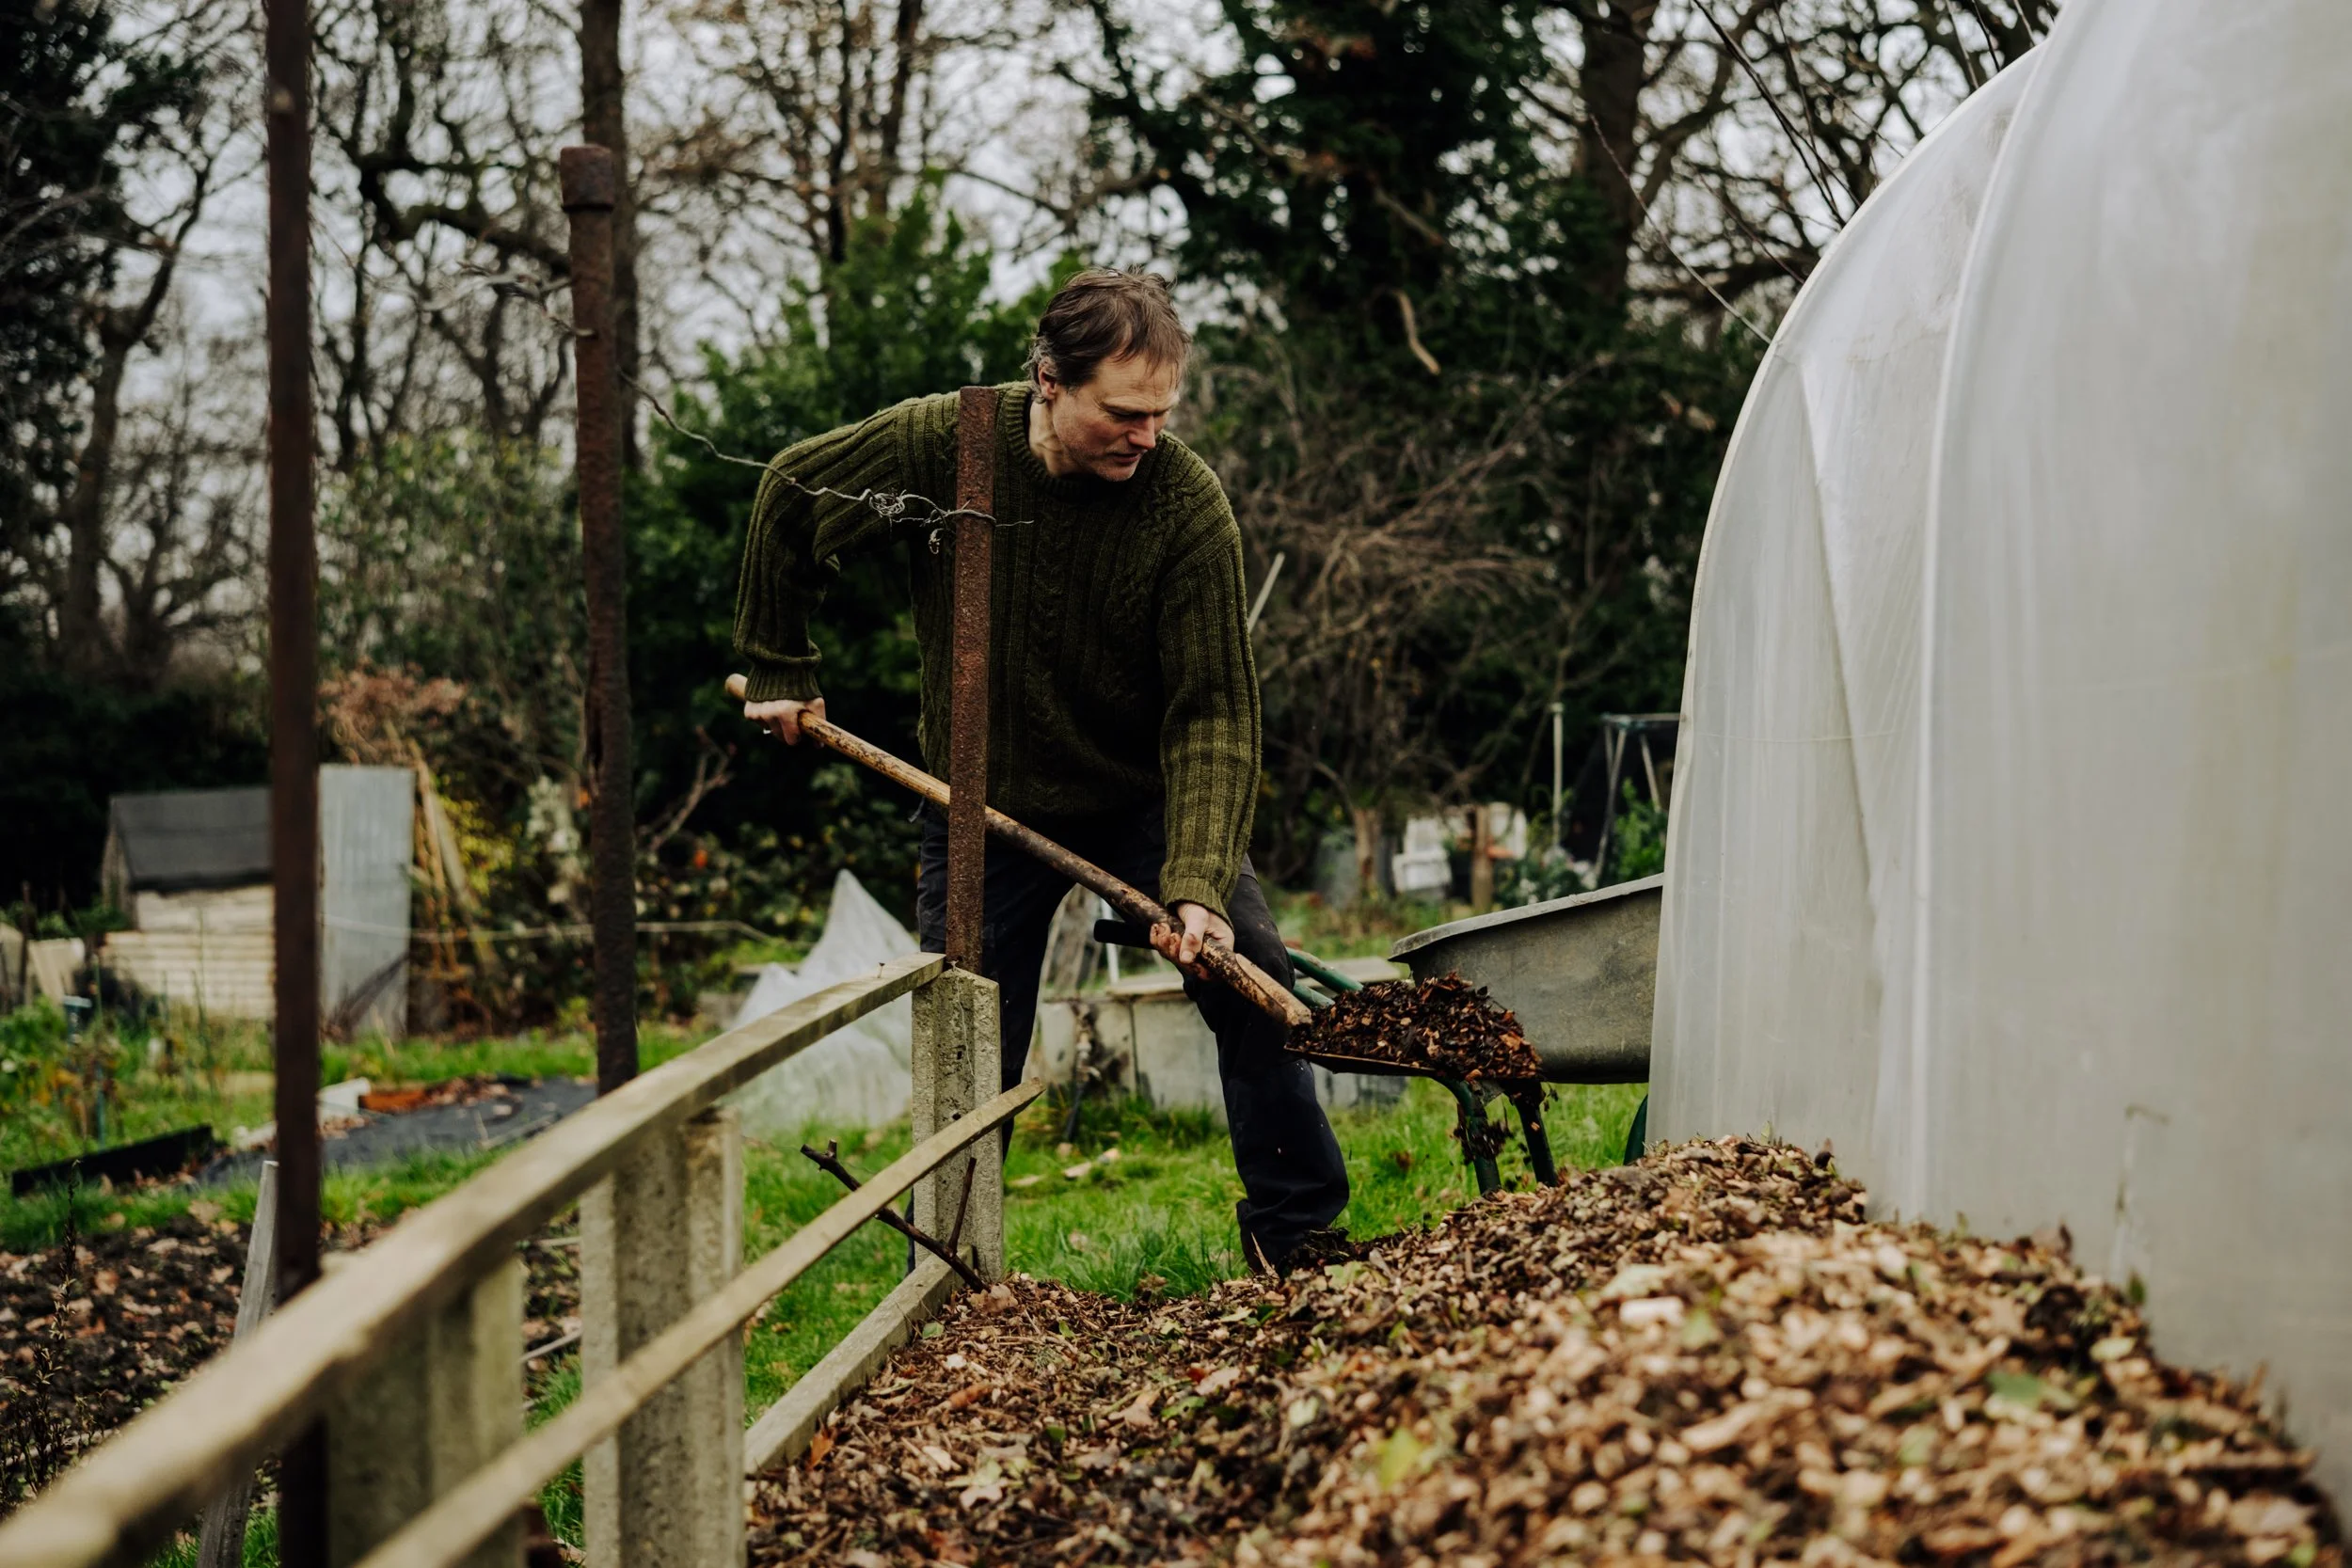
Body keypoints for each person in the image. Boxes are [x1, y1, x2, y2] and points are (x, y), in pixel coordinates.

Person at [730, 268, 1352, 1275]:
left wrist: (1194, 884)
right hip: (976, 798)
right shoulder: (948, 446)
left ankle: (1301, 1237)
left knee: (1254, 980)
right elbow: (792, 492)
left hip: (1137, 796)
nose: (1145, 435)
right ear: (1048, 382)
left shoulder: (1183, 506)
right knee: (972, 1031)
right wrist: (779, 664)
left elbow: (1215, 713)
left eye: (1161, 413)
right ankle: (949, 1265)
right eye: (1123, 411)